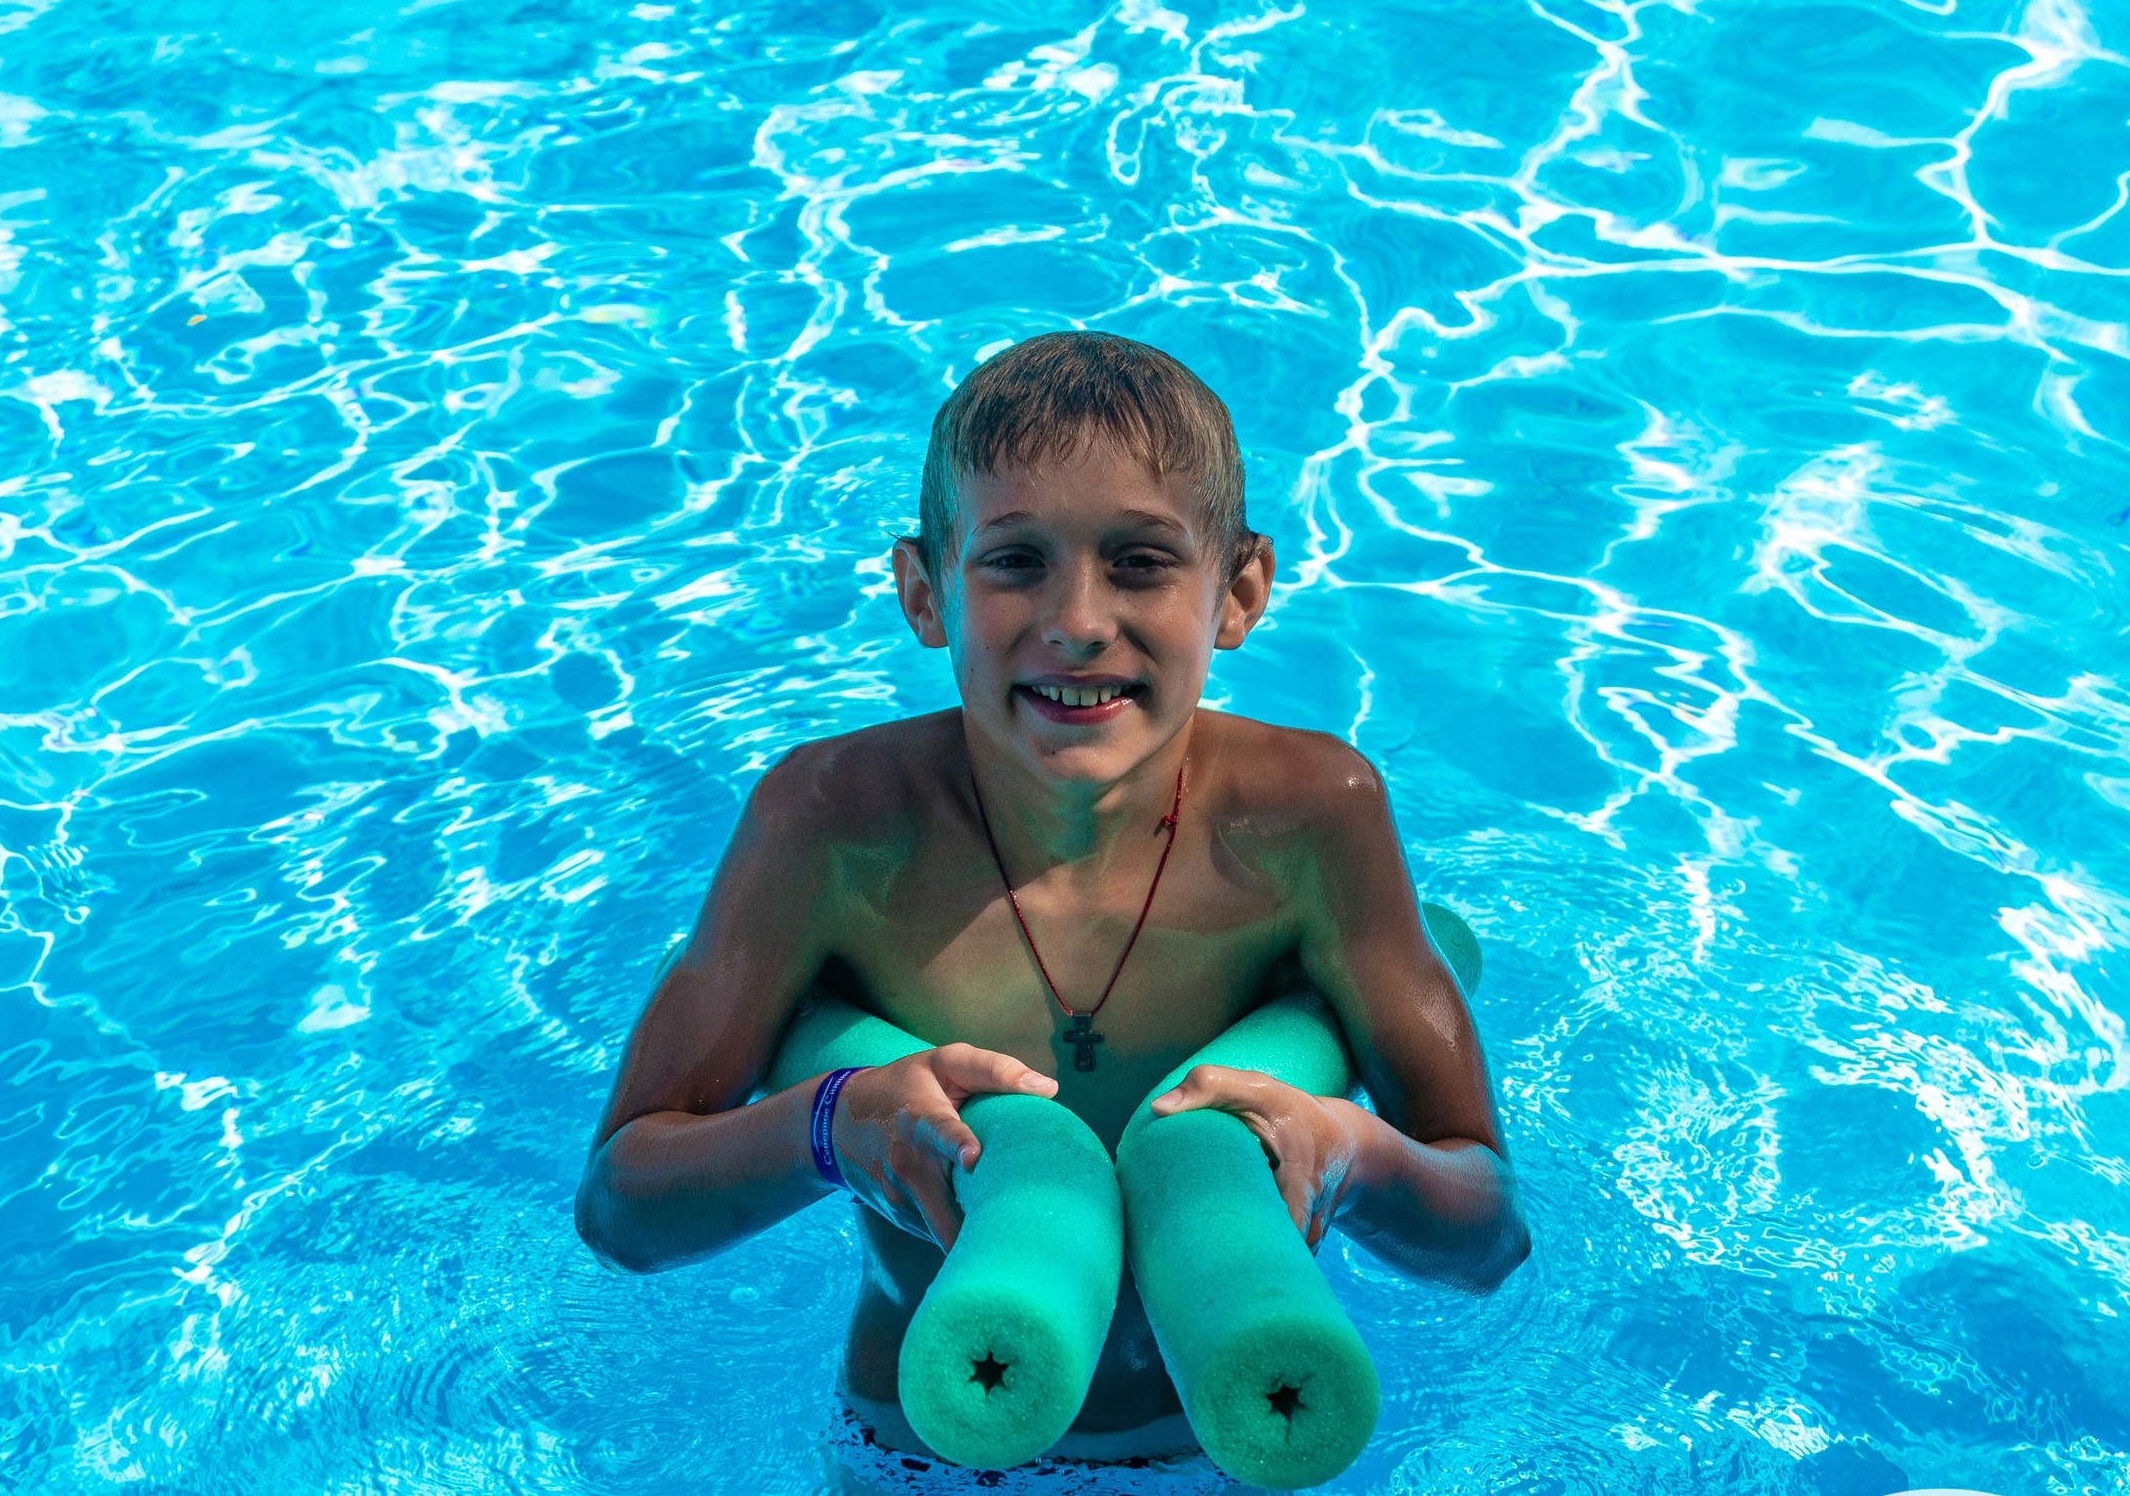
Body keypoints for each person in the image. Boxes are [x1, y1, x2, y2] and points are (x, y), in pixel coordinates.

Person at [575, 331, 1531, 1494]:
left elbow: (1488, 1236)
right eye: (1016, 561)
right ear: (924, 590)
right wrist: (829, 1127)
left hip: (1240, 1429)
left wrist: (1356, 1155)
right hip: (926, 1441)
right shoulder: (830, 826)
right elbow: (621, 1207)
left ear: (1238, 592)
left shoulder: (1310, 818)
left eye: (1140, 562)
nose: (1078, 619)